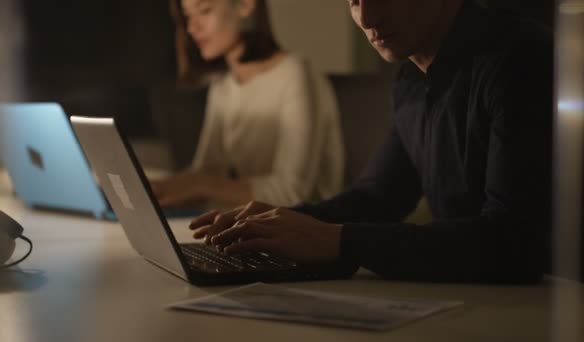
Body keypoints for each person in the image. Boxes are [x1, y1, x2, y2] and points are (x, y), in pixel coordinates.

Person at [187, 0, 554, 283]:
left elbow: (513, 244)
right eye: (353, 0)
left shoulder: (519, 58)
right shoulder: (411, 80)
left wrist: (336, 241)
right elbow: (378, 198)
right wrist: (277, 222)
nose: (366, 17)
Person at [152, 0, 344, 209]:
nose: (192, 27)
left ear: (245, 5)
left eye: (204, 11)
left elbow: (292, 193)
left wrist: (199, 184)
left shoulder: (296, 75)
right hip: (249, 227)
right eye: (188, 16)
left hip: (304, 230)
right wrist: (158, 188)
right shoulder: (223, 85)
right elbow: (208, 172)